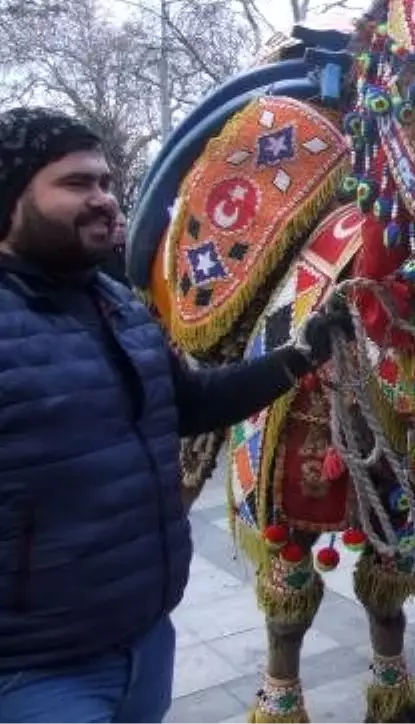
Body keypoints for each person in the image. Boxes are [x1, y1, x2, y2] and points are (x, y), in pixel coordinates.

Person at [0, 107, 349, 723]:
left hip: (147, 640)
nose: (104, 200)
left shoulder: (115, 305)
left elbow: (191, 405)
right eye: (77, 184)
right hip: (35, 673)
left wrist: (300, 357)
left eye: (106, 183)